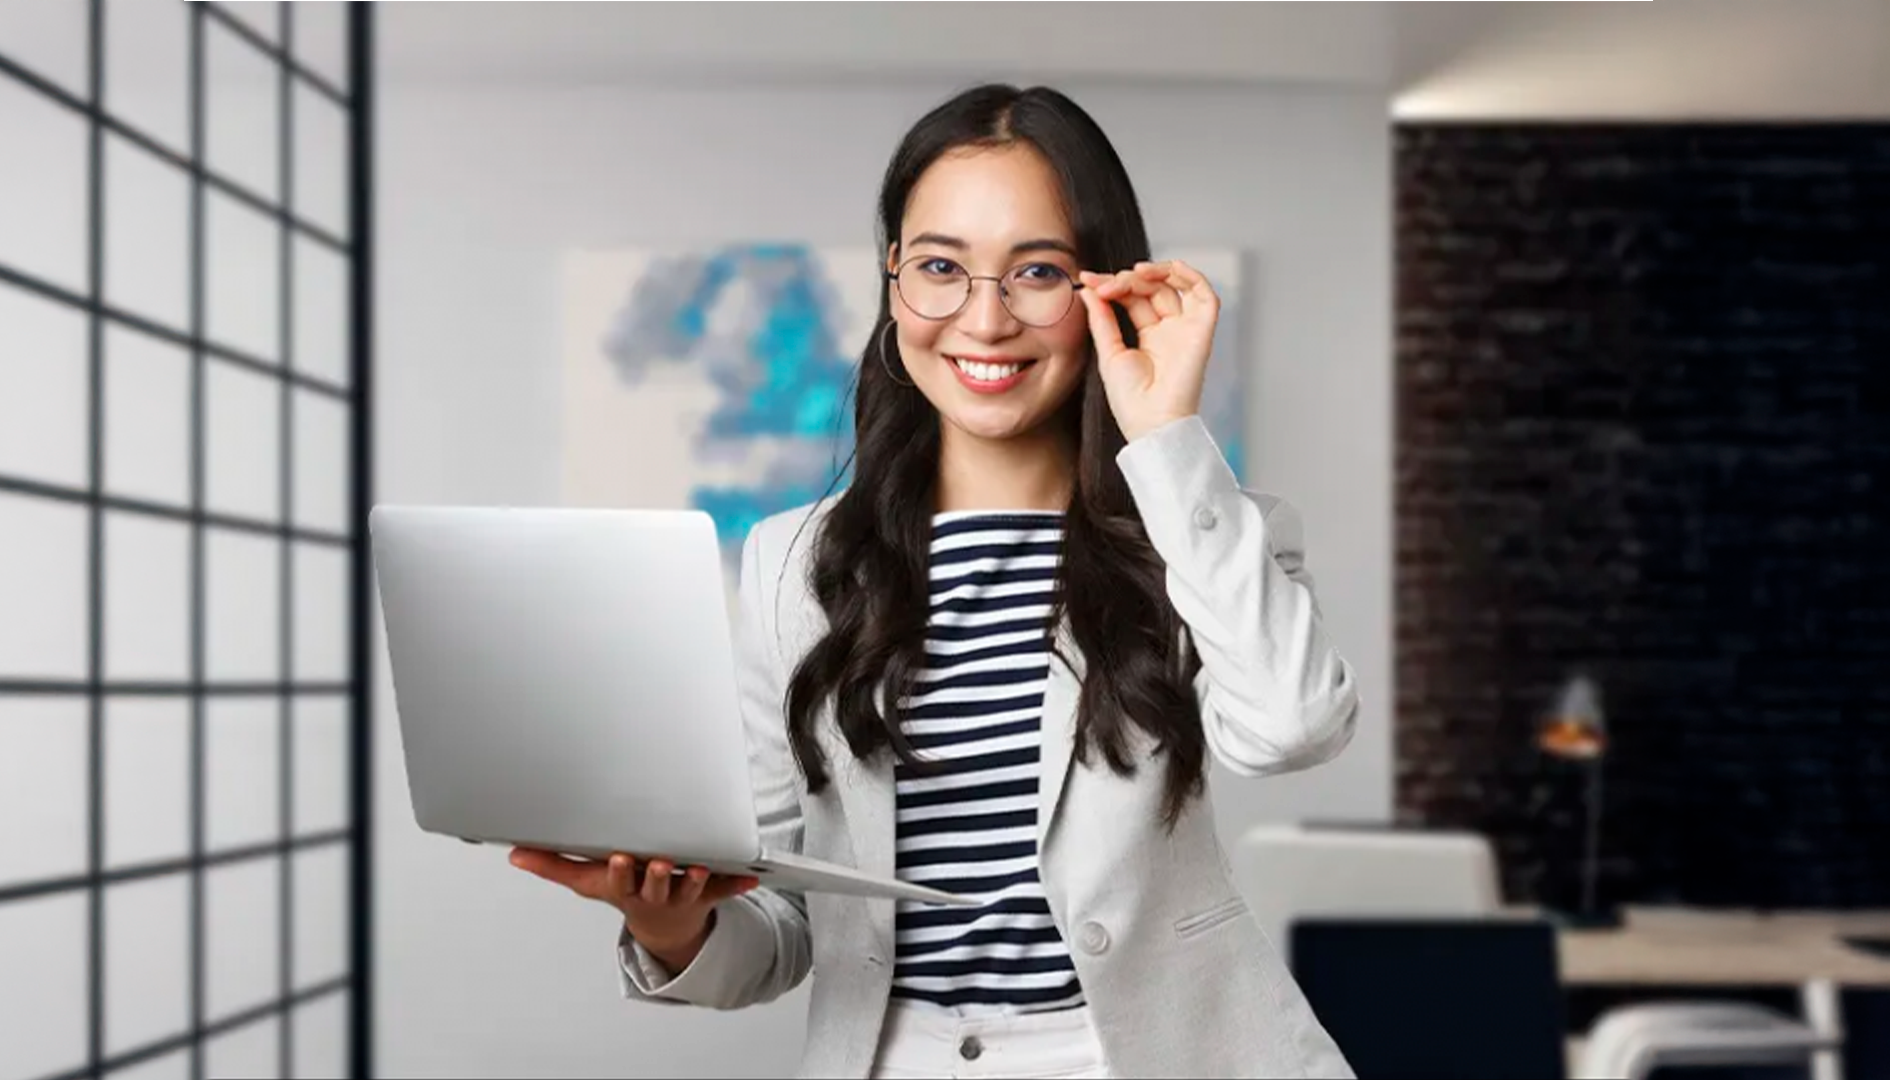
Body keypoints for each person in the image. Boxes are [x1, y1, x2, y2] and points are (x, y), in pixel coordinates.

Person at [510, 84, 1360, 1080]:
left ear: (1101, 288)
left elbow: (1294, 725)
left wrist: (1165, 435)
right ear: (894, 282)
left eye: (1038, 271)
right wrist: (671, 924)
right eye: (942, 268)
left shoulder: (1204, 530)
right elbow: (784, 928)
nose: (985, 319)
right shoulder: (794, 563)